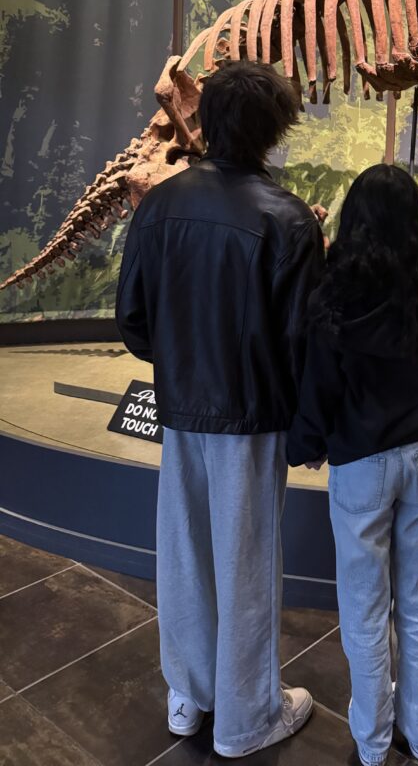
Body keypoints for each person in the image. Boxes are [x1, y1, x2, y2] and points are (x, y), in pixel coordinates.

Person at [116, 61, 324, 758]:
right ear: (274, 129)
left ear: (205, 121)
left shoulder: (158, 206)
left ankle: (188, 696)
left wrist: (182, 369)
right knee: (247, 563)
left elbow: (134, 321)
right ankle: (246, 717)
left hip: (181, 409)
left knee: (182, 552)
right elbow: (303, 341)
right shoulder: (289, 220)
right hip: (254, 416)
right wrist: (306, 421)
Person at [287, 164, 418, 766]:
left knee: (363, 607)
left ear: (354, 217)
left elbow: (318, 386)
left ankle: (372, 741)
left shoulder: (335, 292)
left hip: (361, 463)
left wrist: (304, 444)